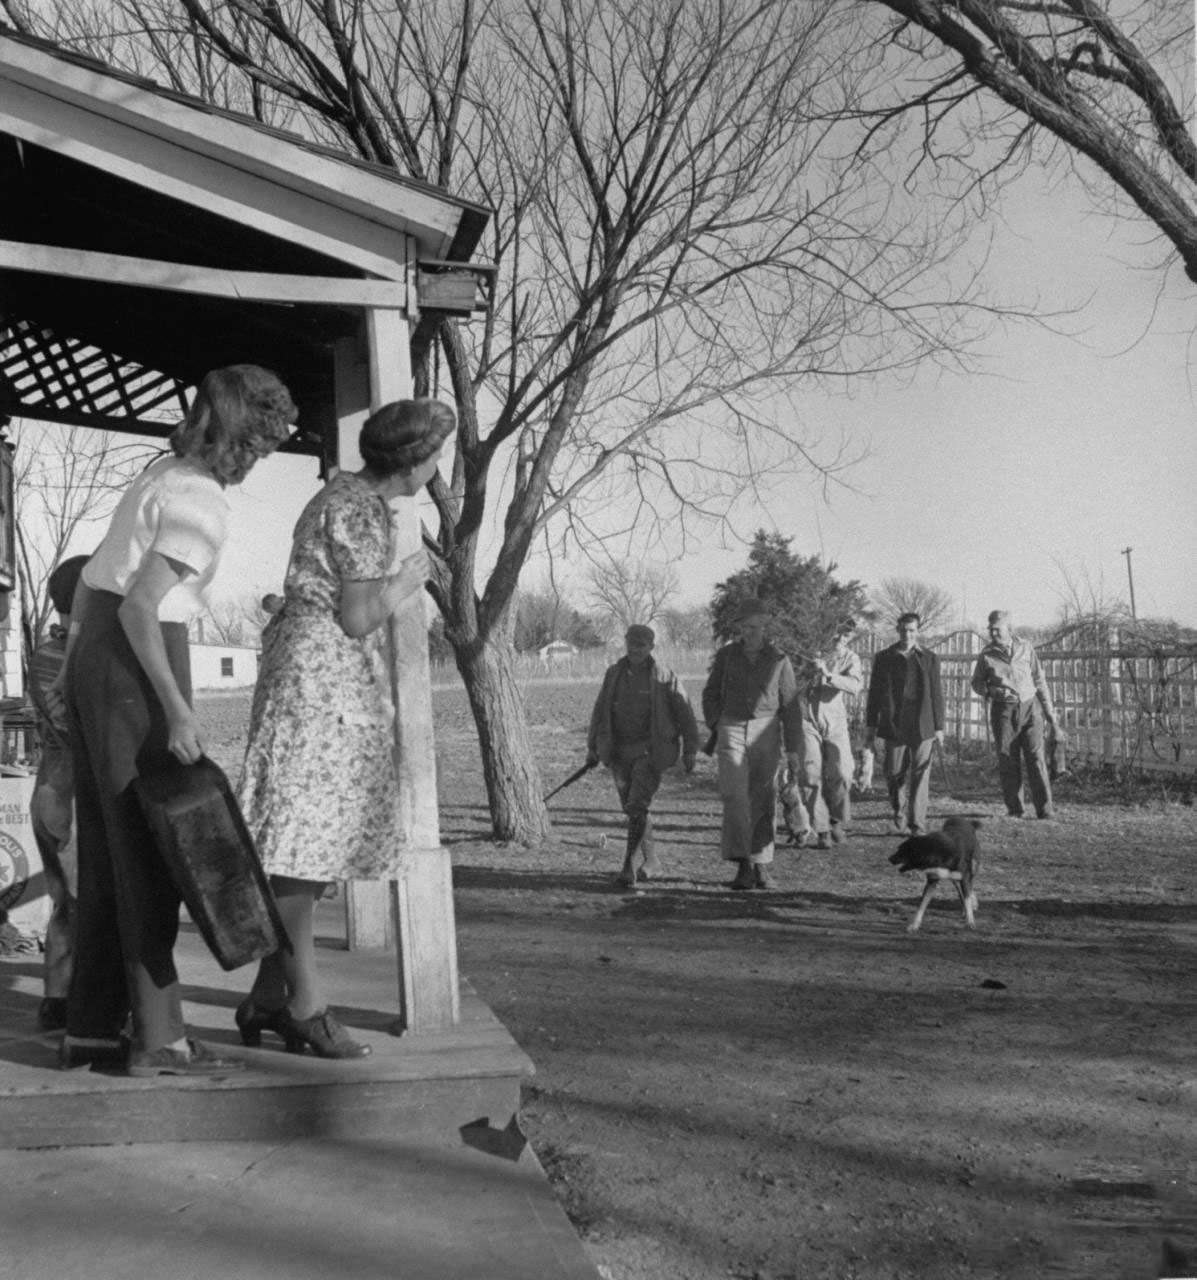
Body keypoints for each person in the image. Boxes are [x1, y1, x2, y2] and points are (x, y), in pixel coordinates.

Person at [62, 365, 295, 1075]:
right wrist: (177, 708)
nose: (262, 459)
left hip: (98, 658)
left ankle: (93, 1029)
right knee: (154, 853)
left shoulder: (163, 471)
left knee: (108, 855)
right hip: (138, 658)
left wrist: (75, 678)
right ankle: (159, 1041)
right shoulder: (201, 502)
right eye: (263, 444)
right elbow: (140, 608)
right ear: (243, 439)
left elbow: (92, 597)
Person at [236, 397, 453, 1059]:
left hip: (309, 677)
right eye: (434, 456)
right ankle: (305, 1004)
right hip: (321, 685)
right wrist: (407, 578)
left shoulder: (342, 495)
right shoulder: (363, 510)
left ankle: (268, 1000)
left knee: (306, 846)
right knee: (301, 852)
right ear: (413, 461)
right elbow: (359, 616)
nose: (435, 468)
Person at [27, 554, 90, 1032]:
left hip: (49, 787)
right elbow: (77, 728)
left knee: (63, 902)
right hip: (70, 793)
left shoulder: (47, 649)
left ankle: (56, 998)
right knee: (81, 902)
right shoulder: (69, 653)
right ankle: (77, 1003)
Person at [586, 624, 699, 888]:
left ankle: (629, 866)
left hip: (650, 753)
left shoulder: (664, 676)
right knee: (633, 809)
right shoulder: (613, 673)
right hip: (618, 754)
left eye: (641, 645)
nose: (635, 649)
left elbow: (686, 713)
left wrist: (691, 748)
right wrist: (592, 746)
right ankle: (652, 861)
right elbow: (600, 710)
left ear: (651, 647)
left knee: (636, 805)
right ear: (625, 644)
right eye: (631, 644)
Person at [701, 598, 802, 891]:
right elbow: (709, 694)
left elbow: (791, 705)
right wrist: (716, 722)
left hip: (766, 730)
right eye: (745, 627)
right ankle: (742, 864)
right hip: (731, 727)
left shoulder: (779, 659)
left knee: (763, 797)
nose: (751, 632)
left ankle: (761, 864)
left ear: (765, 626)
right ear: (739, 628)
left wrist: (793, 748)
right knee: (734, 795)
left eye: (756, 626)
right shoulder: (727, 656)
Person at [970, 610, 1061, 819]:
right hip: (1004, 711)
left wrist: (1049, 713)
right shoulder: (986, 655)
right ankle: (1015, 809)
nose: (992, 633)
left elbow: (1039, 680)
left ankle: (1045, 809)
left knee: (1036, 758)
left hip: (1030, 708)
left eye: (997, 629)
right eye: (990, 629)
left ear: (1009, 629)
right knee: (1008, 760)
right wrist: (991, 691)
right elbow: (976, 683)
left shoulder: (1026, 648)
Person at [864, 612, 945, 836]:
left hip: (923, 724)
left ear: (918, 632)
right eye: (903, 630)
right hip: (894, 723)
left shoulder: (929, 658)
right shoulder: (884, 657)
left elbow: (937, 694)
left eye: (911, 630)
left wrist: (939, 727)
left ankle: (917, 824)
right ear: (897, 630)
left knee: (921, 773)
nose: (907, 634)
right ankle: (899, 816)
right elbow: (874, 695)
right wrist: (871, 726)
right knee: (893, 772)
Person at [795, 619, 863, 849]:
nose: (839, 640)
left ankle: (836, 819)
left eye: (845, 636)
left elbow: (855, 686)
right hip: (806, 720)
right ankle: (821, 827)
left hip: (834, 721)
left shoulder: (849, 658)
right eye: (836, 635)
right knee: (810, 772)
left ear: (850, 638)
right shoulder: (810, 652)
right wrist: (809, 668)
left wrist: (828, 674)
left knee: (843, 771)